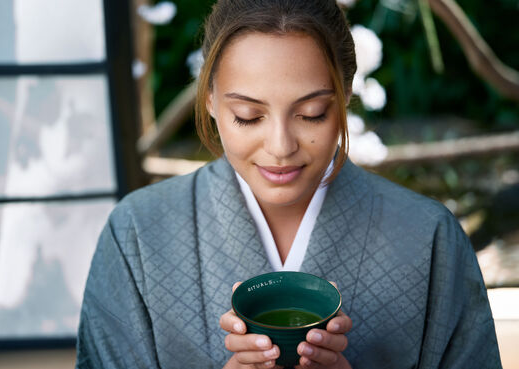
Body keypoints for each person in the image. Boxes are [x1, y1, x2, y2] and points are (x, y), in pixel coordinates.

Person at [75, 0, 502, 368]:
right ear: (209, 97)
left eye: (312, 112)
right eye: (247, 115)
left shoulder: (430, 238)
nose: (280, 147)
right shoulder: (135, 234)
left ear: (346, 91)